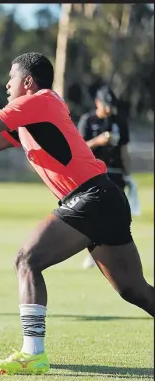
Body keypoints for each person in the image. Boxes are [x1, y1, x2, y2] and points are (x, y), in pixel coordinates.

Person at [0, 52, 154, 375]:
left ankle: (32, 353)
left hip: (91, 196)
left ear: (27, 82)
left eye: (11, 77)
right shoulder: (28, 117)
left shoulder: (40, 100)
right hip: (105, 199)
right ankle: (32, 353)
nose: (6, 84)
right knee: (134, 290)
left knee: (27, 259)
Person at [77, 86, 140, 268]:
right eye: (106, 105)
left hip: (115, 173)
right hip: (94, 174)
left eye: (111, 105)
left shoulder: (119, 121)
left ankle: (119, 255)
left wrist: (129, 175)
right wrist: (98, 141)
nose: (109, 109)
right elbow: (79, 149)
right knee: (95, 214)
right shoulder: (88, 121)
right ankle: (93, 251)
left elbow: (123, 150)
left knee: (118, 215)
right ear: (97, 103)